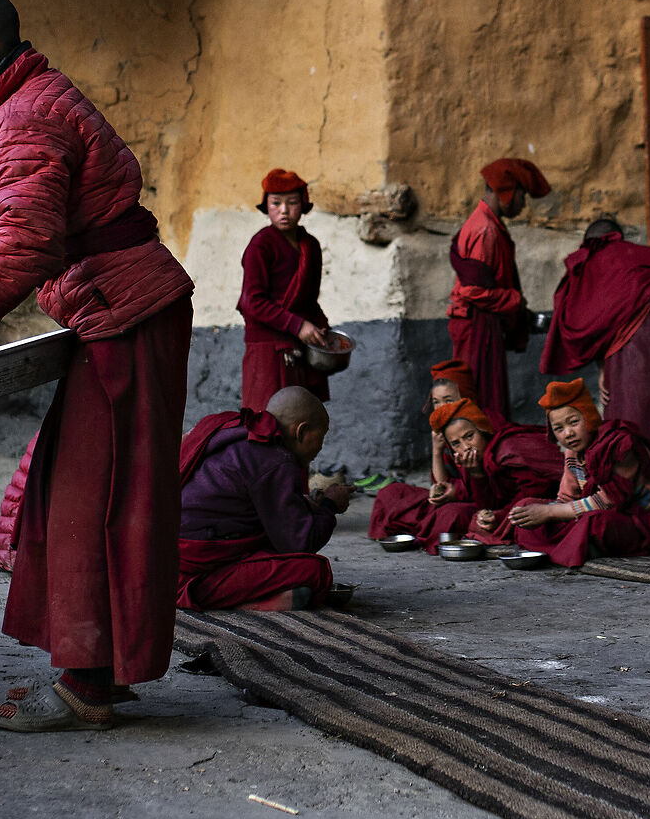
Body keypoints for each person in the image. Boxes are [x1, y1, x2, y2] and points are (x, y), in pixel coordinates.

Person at [0, 0, 195, 733]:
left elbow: (29, 239)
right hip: (118, 310)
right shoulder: (33, 93)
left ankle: (89, 686)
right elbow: (44, 232)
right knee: (91, 491)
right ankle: (100, 668)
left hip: (125, 316)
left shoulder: (23, 113)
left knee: (94, 499)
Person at [541, 218, 650, 497]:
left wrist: (603, 365)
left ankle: (633, 492)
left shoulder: (593, 260)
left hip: (637, 330)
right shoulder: (645, 254)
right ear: (618, 236)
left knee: (631, 411)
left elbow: (591, 321)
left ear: (589, 242)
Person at [172, 387, 356, 612]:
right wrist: (329, 506)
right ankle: (217, 596)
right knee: (314, 570)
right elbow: (301, 543)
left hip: (166, 545)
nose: (321, 447)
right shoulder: (275, 460)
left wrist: (302, 505)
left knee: (272, 548)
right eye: (322, 435)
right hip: (189, 565)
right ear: (301, 430)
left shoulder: (233, 427)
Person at [503, 381, 650, 567]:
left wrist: (549, 512)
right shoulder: (572, 453)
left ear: (589, 417)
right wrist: (542, 512)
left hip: (646, 522)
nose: (568, 434)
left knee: (594, 522)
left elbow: (609, 501)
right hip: (591, 514)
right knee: (526, 506)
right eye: (559, 429)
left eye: (574, 422)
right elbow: (566, 498)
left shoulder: (619, 444)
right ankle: (573, 547)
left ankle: (566, 548)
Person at [448, 157, 549, 424]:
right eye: (522, 196)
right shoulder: (486, 230)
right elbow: (472, 290)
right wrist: (515, 300)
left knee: (475, 397)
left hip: (477, 323)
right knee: (478, 401)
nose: (523, 204)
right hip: (476, 325)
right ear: (509, 193)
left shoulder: (485, 222)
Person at [239, 167, 348, 412]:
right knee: (268, 420)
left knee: (301, 422)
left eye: (292, 203)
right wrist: (298, 326)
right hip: (267, 349)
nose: (284, 211)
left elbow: (309, 300)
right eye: (276, 203)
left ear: (304, 204)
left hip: (301, 349)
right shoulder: (260, 246)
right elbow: (252, 302)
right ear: (266, 205)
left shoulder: (311, 246)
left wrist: (322, 330)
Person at [418, 399, 563, 550]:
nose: (466, 447)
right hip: (518, 508)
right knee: (475, 520)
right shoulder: (476, 461)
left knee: (522, 512)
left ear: (483, 430)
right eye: (456, 444)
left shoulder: (507, 450)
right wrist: (476, 474)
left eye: (469, 436)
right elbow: (489, 505)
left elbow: (537, 490)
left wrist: (501, 515)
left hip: (559, 500)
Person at [366, 359, 484, 540]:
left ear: (465, 397)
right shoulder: (442, 430)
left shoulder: (480, 428)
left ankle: (423, 528)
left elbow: (489, 488)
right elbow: (441, 482)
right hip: (451, 498)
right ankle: (425, 526)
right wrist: (437, 451)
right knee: (390, 492)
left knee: (452, 515)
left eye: (449, 400)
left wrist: (456, 491)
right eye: (436, 402)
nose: (442, 408)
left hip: (475, 501)